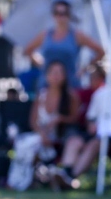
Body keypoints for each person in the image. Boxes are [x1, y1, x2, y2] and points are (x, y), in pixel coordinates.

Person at [58, 59, 111, 184]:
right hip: (99, 132)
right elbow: (91, 117)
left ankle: (70, 177)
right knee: (74, 141)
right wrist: (91, 125)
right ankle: (65, 172)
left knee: (95, 144)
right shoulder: (101, 93)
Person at [7, 61, 79, 191]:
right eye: (53, 72)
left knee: (26, 145)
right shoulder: (41, 95)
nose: (56, 76)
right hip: (40, 137)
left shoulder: (70, 97)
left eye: (59, 72)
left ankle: (22, 182)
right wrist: (42, 135)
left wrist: (60, 119)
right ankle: (18, 181)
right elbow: (33, 121)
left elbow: (75, 120)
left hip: (59, 139)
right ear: (47, 75)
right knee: (23, 144)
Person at [24, 0, 105, 90]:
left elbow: (101, 51)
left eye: (63, 13)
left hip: (70, 85)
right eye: (57, 13)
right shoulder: (45, 35)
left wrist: (84, 69)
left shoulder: (77, 35)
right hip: (47, 85)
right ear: (53, 15)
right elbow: (27, 50)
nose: (60, 17)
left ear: (69, 15)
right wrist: (41, 64)